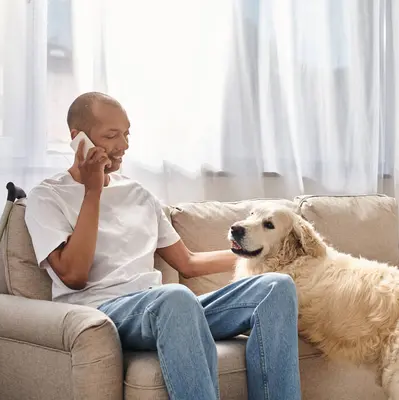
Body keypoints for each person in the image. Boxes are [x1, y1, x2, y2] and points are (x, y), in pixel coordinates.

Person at [24, 92, 301, 400]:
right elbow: (74, 276)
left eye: (126, 134)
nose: (124, 146)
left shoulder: (139, 194)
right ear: (78, 138)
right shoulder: (47, 197)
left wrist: (262, 252)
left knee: (276, 287)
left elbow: (188, 263)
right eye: (111, 135)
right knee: (175, 297)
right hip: (101, 313)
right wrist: (93, 190)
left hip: (164, 310)